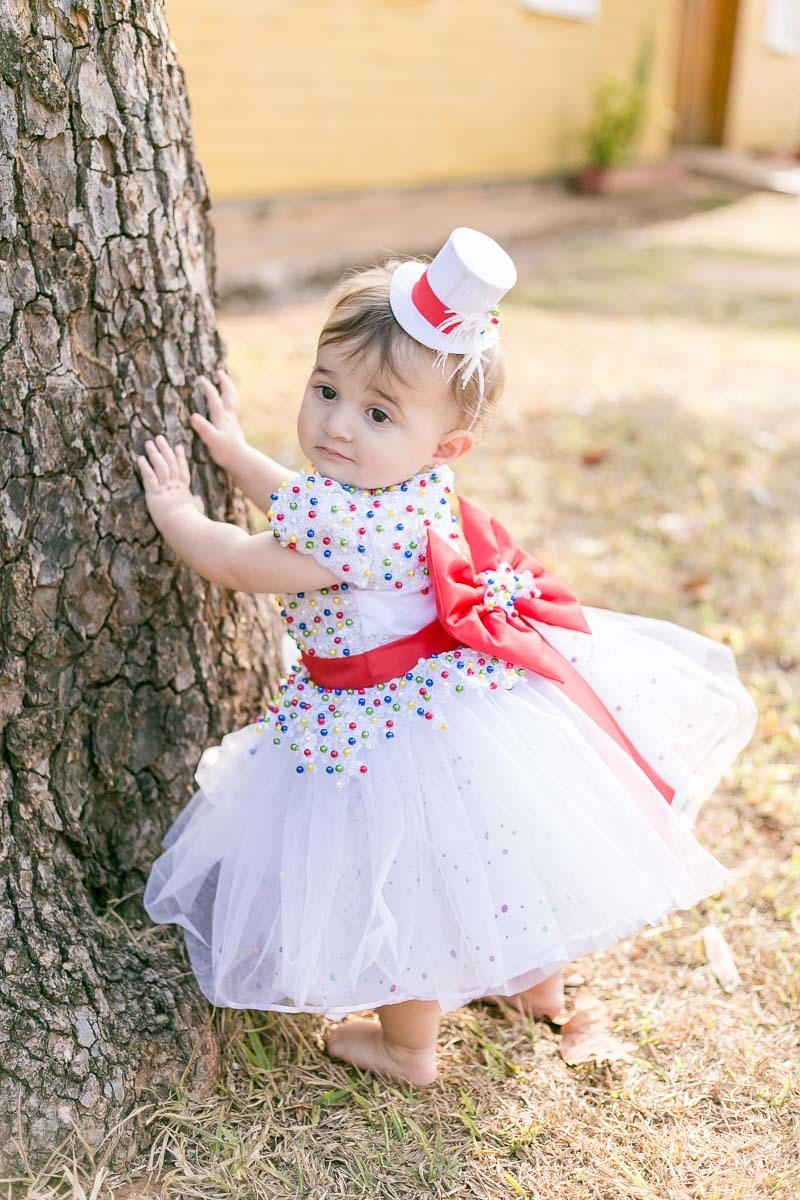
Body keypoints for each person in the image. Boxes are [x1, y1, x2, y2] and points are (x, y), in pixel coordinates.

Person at [137, 228, 758, 1088]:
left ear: (446, 445)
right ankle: (538, 985)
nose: (336, 425)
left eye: (377, 413)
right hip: (456, 706)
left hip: (380, 734)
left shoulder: (350, 527)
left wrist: (178, 513)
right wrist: (238, 454)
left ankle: (407, 1049)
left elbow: (243, 561)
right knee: (500, 854)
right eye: (325, 389)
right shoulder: (407, 485)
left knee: (408, 889)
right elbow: (309, 500)